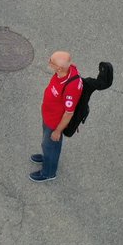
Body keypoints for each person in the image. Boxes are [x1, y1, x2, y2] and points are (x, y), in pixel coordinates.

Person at [31, 50, 80, 183]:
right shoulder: (66, 69)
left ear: (59, 68)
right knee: (46, 144)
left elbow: (69, 112)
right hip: (48, 116)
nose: (48, 62)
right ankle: (46, 157)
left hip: (54, 123)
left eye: (51, 62)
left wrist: (58, 131)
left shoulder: (71, 87)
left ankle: (48, 172)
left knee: (51, 147)